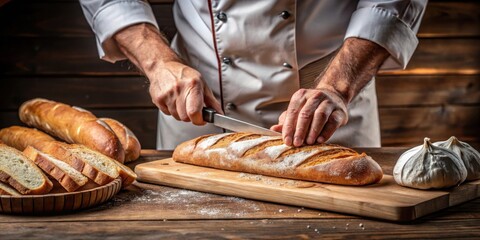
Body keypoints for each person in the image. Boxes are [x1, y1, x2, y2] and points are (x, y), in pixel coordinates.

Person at [80, 0, 427, 150]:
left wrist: (338, 86)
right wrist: (157, 62)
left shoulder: (335, 91)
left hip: (330, 101)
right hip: (196, 99)